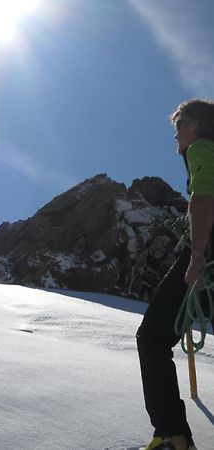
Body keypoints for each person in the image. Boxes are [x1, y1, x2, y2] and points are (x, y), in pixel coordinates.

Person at [136, 99, 214, 450]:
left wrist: (196, 258)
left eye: (178, 128)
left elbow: (204, 198)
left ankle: (172, 435)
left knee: (152, 338)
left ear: (193, 127)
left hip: (207, 256)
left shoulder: (200, 147)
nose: (175, 137)